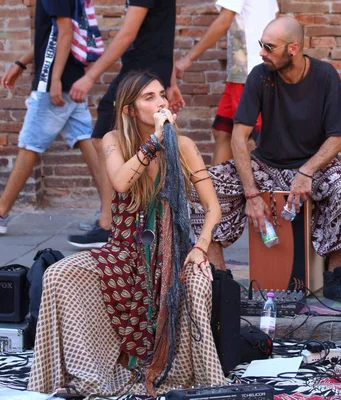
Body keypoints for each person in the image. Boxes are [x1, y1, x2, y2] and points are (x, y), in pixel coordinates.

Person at [28, 71, 225, 397]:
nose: (161, 102)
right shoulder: (113, 140)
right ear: (130, 110)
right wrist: (154, 143)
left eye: (161, 94)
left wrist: (200, 248)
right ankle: (89, 377)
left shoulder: (185, 146)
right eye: (149, 98)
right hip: (123, 250)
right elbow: (121, 182)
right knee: (60, 274)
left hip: (172, 252)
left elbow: (213, 208)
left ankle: (179, 376)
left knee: (199, 281)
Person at [190, 17, 341, 307]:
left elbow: (338, 137)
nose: (261, 52)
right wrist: (251, 193)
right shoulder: (260, 76)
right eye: (261, 45)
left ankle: (335, 276)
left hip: (312, 166)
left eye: (269, 47)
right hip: (266, 165)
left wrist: (307, 171)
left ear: (293, 48)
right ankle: (218, 275)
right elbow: (238, 138)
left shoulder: (325, 76)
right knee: (202, 186)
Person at [66, 0, 185, 248]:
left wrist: (90, 77)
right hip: (151, 71)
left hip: (141, 73)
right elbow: (166, 35)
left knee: (104, 136)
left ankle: (109, 223)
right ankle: (124, 218)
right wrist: (170, 83)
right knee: (132, 140)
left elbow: (127, 34)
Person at [0, 0, 109, 235]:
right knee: (86, 141)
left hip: (54, 83)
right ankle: (110, 214)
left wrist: (55, 79)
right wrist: (21, 63)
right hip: (71, 77)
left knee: (30, 144)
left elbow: (66, 30)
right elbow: (49, 33)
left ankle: (1, 212)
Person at [175, 0, 278, 165]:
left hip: (248, 72)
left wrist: (187, 59)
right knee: (223, 131)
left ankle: (273, 187)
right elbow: (276, 19)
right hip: (244, 72)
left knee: (256, 136)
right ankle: (217, 188)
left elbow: (223, 22)